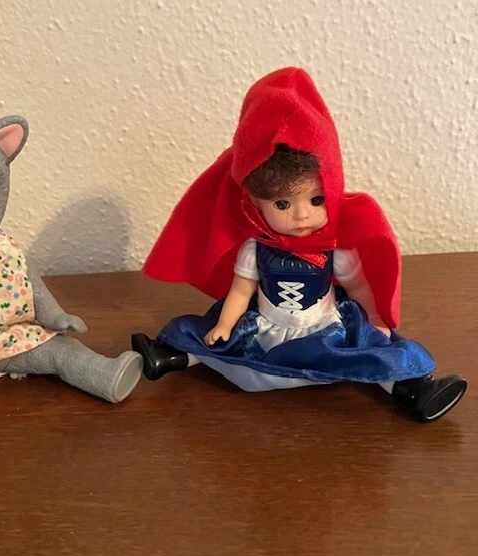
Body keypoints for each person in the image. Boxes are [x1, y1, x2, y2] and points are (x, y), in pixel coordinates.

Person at [132, 67, 466, 422]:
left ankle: (414, 389)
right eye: (282, 204)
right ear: (254, 204)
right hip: (268, 326)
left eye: (316, 200)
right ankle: (172, 356)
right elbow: (241, 291)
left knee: (372, 349)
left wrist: (373, 317)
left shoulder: (335, 249)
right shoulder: (255, 249)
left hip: (324, 327)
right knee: (215, 339)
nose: (302, 215)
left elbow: (357, 286)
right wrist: (226, 325)